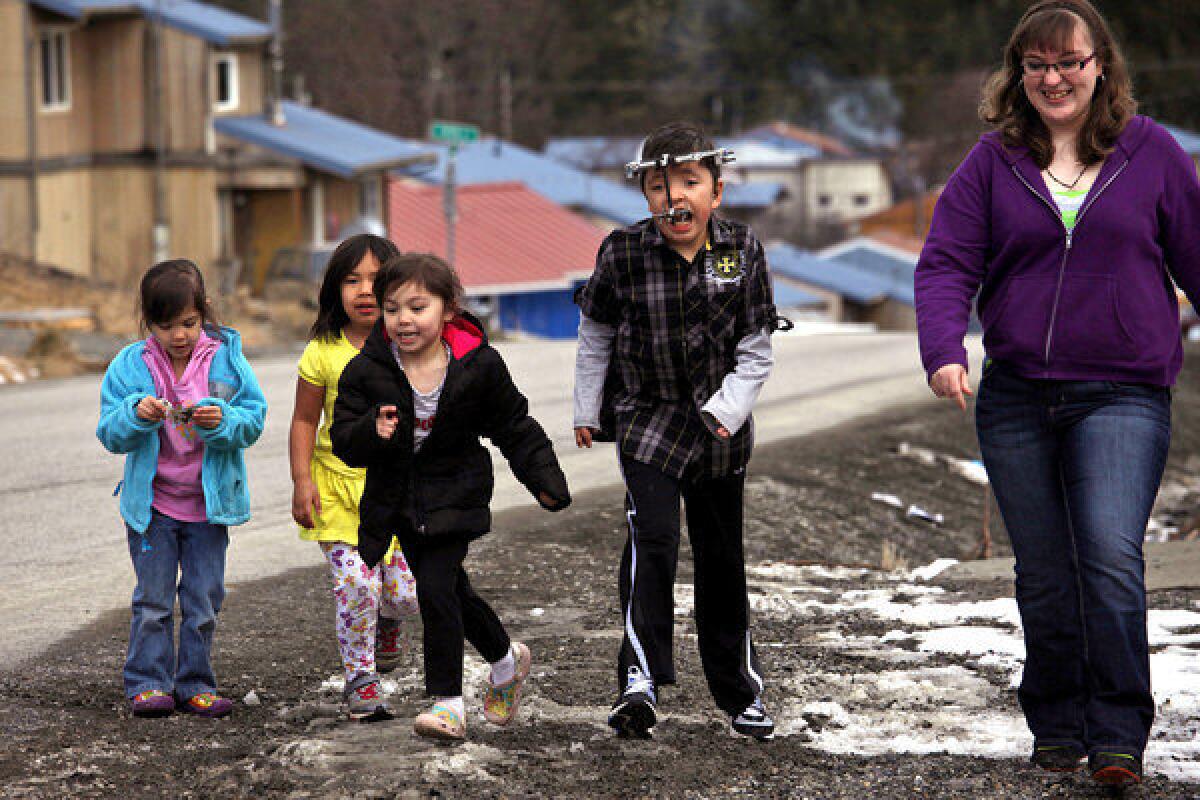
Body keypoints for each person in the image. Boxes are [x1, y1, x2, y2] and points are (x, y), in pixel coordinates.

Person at [914, 0, 1200, 786]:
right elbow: (944, 264)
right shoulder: (991, 161)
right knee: (1042, 570)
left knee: (1108, 554)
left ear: (1100, 65)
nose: (1053, 77)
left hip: (1124, 392)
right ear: (1019, 73)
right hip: (1017, 397)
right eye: (1037, 64)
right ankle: (1057, 721)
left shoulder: (1153, 153)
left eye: (1068, 61)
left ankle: (1117, 732)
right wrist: (943, 349)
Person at [573, 121, 779, 740]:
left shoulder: (740, 250)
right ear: (645, 195)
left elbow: (757, 346)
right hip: (648, 421)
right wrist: (588, 408)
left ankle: (739, 691)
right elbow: (597, 335)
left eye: (690, 182)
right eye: (660, 186)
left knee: (721, 561)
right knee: (653, 539)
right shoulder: (624, 253)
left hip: (720, 431)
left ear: (717, 190)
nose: (675, 198)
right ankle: (640, 678)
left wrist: (728, 408)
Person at [331, 253, 571, 741]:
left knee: (435, 589)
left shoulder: (477, 365)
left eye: (418, 307)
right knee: (451, 589)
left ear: (448, 309)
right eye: (393, 308)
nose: (404, 319)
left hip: (455, 494)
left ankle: (447, 703)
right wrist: (372, 432)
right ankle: (506, 661)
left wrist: (543, 479)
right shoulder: (367, 369)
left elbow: (513, 425)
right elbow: (342, 438)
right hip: (399, 502)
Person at [97, 259, 267, 719]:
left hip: (209, 506)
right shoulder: (130, 365)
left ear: (204, 312)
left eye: (189, 323)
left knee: (204, 599)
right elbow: (109, 432)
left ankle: (195, 683)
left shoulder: (227, 359)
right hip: (152, 506)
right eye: (166, 325)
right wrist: (136, 414)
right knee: (152, 601)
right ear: (148, 324)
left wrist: (222, 420)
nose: (179, 335)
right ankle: (149, 682)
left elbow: (253, 420)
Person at [288, 234, 419, 722]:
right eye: (351, 280)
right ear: (334, 290)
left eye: (376, 279)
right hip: (337, 489)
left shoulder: (409, 344)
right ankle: (360, 679)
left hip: (398, 488)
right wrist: (303, 481)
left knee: (403, 594)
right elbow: (303, 420)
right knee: (355, 585)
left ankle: (389, 623)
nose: (365, 290)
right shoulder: (323, 351)